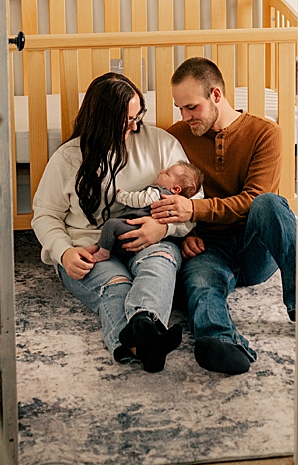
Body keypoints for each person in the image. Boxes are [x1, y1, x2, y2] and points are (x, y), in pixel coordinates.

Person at [30, 71, 197, 375]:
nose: (135, 126)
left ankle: (144, 326)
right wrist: (63, 252)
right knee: (117, 286)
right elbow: (45, 214)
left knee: (159, 263)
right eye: (127, 120)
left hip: (148, 239)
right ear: (103, 120)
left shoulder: (160, 144)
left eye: (138, 116)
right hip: (90, 247)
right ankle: (144, 345)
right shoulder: (68, 158)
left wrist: (165, 229)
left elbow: (192, 202)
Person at [147, 56, 298, 376]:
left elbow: (252, 200)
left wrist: (195, 210)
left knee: (270, 204)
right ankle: (219, 339)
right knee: (200, 285)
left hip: (253, 245)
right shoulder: (179, 135)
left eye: (192, 107)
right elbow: (170, 194)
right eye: (180, 109)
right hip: (208, 246)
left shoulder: (265, 133)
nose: (185, 116)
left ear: (216, 95)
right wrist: (186, 234)